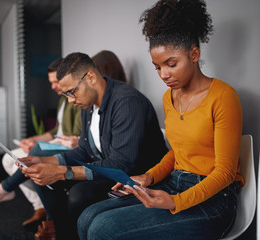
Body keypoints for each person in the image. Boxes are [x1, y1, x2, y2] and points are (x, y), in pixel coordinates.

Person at [77, 0, 243, 239]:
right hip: (173, 182)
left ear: (194, 54)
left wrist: (176, 201)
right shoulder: (169, 97)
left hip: (214, 201)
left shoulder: (223, 96)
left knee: (104, 229)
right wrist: (149, 176)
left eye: (171, 64)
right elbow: (177, 152)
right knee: (88, 217)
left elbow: (225, 173)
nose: (164, 74)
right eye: (157, 67)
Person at [18, 52, 168, 240]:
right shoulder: (88, 105)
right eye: (66, 95)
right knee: (41, 177)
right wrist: (43, 160)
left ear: (90, 77)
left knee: (79, 194)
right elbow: (85, 149)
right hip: (111, 169)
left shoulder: (126, 101)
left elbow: (122, 164)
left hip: (137, 176)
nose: (70, 100)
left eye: (71, 92)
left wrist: (60, 171)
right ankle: (63, 233)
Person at [0, 57, 82, 231]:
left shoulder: (74, 99)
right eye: (52, 82)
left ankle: (7, 189)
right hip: (59, 142)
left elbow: (73, 136)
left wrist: (38, 145)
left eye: (56, 82)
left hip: (68, 146)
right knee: (10, 159)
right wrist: (33, 139)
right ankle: (38, 206)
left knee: (26, 159)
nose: (53, 86)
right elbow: (56, 130)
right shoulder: (63, 100)